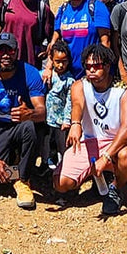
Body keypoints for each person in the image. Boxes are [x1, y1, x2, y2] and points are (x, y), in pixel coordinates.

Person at [55, 44, 127, 216]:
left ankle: (115, 187)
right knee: (61, 183)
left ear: (107, 66)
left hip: (116, 143)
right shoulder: (80, 85)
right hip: (89, 142)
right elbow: (78, 104)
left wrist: (105, 157)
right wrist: (76, 123)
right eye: (88, 66)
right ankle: (95, 176)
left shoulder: (123, 90)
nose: (92, 70)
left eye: (97, 66)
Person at [0, 32, 48, 208]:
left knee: (31, 126)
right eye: (1, 51)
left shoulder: (30, 73)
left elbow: (42, 112)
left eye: (10, 51)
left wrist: (29, 113)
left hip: (22, 127)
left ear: (17, 52)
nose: (5, 55)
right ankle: (16, 166)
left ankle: (23, 179)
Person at [52, 0, 112, 78]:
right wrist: (48, 67)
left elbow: (105, 42)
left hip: (92, 73)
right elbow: (55, 42)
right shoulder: (63, 9)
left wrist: (103, 71)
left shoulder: (97, 7)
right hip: (68, 74)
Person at [42, 41, 77, 171]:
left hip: (60, 119)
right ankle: (46, 161)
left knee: (61, 142)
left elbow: (70, 102)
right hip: (47, 117)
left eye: (64, 61)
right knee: (47, 140)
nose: (61, 65)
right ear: (52, 60)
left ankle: (64, 164)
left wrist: (67, 120)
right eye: (57, 61)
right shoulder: (47, 75)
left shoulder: (70, 80)